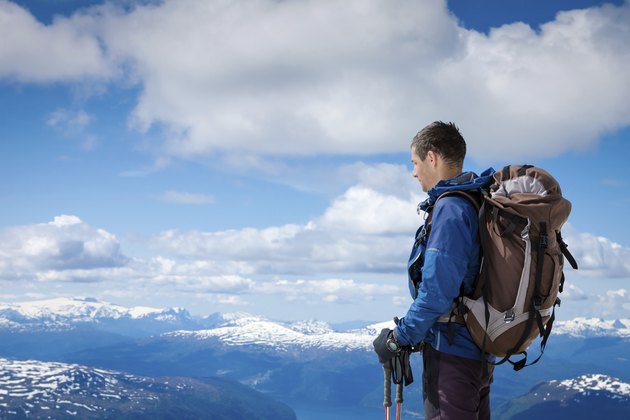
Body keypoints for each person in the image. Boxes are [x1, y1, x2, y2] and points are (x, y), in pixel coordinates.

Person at [373, 121, 495, 420]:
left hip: (451, 354)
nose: (413, 172)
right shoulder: (478, 201)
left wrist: (398, 338)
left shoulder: (451, 208)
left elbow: (437, 294)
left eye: (414, 163)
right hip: (479, 350)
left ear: (432, 157)